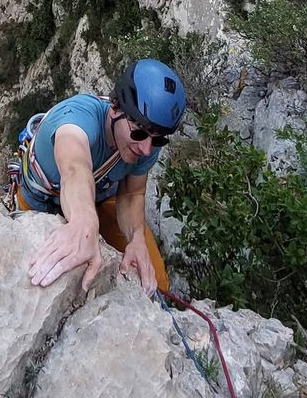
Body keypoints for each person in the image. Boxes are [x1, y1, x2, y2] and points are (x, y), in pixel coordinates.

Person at [18, 59, 186, 296]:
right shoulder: (77, 117)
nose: (147, 148)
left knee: (155, 282)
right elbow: (75, 168)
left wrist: (136, 238)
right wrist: (84, 222)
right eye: (139, 132)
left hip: (100, 199)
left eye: (158, 139)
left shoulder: (148, 141)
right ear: (116, 108)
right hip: (39, 202)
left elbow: (132, 192)